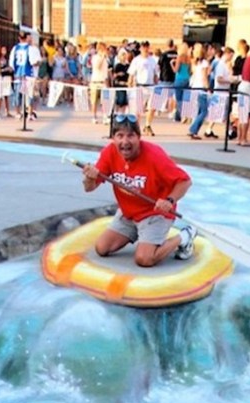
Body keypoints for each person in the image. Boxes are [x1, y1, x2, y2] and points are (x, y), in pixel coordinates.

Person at [81, 113, 195, 267]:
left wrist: (169, 200)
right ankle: (139, 234)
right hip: (128, 213)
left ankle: (184, 236)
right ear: (113, 138)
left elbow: (185, 181)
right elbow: (89, 188)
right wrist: (89, 177)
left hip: (155, 212)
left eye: (130, 136)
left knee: (144, 259)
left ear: (139, 137)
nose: (125, 141)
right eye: (119, 136)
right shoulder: (109, 153)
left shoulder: (154, 155)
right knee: (102, 248)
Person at [128, 40, 159, 135]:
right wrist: (130, 86)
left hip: (151, 86)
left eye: (147, 47)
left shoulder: (152, 60)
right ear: (141, 48)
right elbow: (131, 75)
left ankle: (148, 125)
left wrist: (156, 83)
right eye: (143, 47)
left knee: (152, 107)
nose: (145, 49)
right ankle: (136, 128)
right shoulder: (136, 60)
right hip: (140, 87)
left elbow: (155, 74)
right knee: (138, 110)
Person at [10, 31, 40, 117]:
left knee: (17, 94)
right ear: (26, 38)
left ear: (19, 38)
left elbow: (11, 62)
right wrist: (38, 63)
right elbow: (32, 62)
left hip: (18, 74)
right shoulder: (30, 48)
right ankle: (30, 112)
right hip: (28, 74)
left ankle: (17, 113)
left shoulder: (15, 48)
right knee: (29, 94)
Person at [188, 42, 211, 139]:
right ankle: (193, 129)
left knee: (199, 111)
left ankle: (195, 131)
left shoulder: (194, 62)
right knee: (204, 111)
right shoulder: (204, 63)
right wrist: (208, 88)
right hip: (201, 88)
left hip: (194, 87)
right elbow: (204, 77)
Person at [90, 41, 110, 123]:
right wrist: (102, 57)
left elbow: (106, 71)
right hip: (96, 81)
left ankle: (105, 116)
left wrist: (107, 82)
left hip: (103, 81)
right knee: (94, 101)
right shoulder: (95, 57)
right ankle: (94, 116)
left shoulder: (106, 59)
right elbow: (98, 67)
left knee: (105, 100)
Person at [171, 41, 192, 122]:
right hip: (187, 79)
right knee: (185, 98)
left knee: (179, 99)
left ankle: (183, 115)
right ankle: (182, 115)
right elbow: (190, 71)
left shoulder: (179, 57)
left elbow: (176, 70)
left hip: (179, 79)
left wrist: (172, 64)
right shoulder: (189, 58)